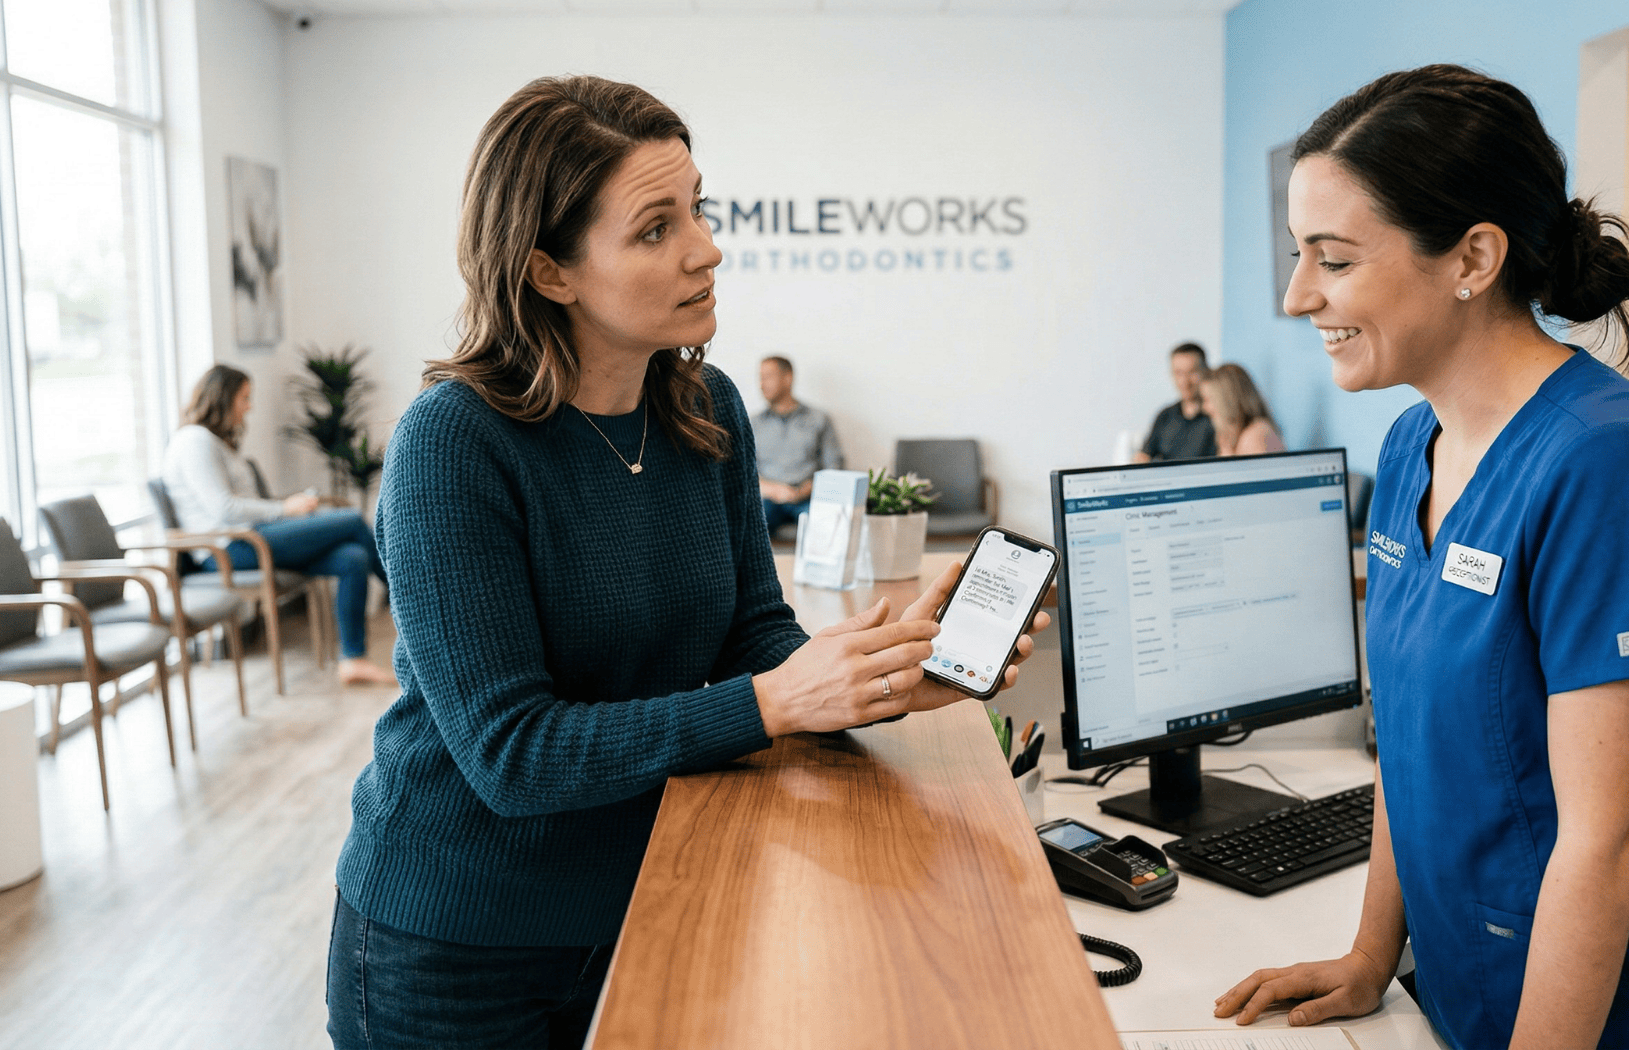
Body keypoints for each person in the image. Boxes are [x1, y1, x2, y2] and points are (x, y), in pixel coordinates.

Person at [325, 75, 1049, 1049]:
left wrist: (877, 681)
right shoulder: (454, 444)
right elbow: (510, 755)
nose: (707, 246)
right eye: (656, 228)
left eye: (698, 209)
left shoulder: (704, 411)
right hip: (455, 942)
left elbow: (753, 630)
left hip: (647, 891)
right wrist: (776, 704)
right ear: (549, 271)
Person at [1214, 65, 1629, 1048]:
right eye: (1298, 255)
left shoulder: (1606, 463)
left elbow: (1607, 841)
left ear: (1473, 256)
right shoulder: (1415, 445)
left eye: (1332, 258)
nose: (1296, 297)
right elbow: (1407, 748)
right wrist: (1373, 957)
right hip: (1475, 995)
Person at [162, 364, 395, 686]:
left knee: (353, 558)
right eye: (244, 398)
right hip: (228, 551)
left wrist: (286, 510)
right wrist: (284, 508)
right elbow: (223, 508)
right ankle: (412, 601)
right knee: (352, 520)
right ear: (222, 398)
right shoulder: (194, 441)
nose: (249, 406)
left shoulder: (215, 442)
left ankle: (353, 660)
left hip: (251, 539)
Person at [753, 354, 844, 534]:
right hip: (768, 498)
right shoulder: (752, 423)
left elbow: (834, 466)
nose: (762, 384)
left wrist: (805, 489)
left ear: (788, 378)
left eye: (768, 377)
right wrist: (773, 490)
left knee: (830, 525)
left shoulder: (818, 419)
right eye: (760, 378)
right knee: (750, 524)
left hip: (808, 497)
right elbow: (743, 470)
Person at [1133, 341, 1216, 462]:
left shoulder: (1217, 415)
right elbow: (1144, 455)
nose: (1184, 382)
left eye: (1192, 372)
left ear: (1206, 371)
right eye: (1178, 373)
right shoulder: (1165, 416)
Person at [1199, 363, 1285, 457]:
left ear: (1227, 400)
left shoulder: (1255, 436)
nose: (1204, 408)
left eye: (1208, 400)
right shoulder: (1233, 437)